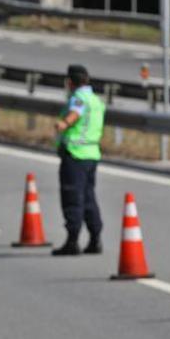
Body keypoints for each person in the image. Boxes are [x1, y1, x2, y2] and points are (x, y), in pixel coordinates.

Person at [52, 64, 105, 256]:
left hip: (75, 154)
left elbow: (75, 112)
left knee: (72, 198)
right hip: (92, 154)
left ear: (69, 82)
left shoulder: (79, 99)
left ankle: (72, 241)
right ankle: (95, 239)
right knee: (89, 197)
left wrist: (63, 123)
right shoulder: (95, 100)